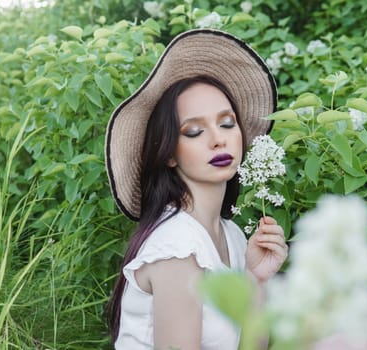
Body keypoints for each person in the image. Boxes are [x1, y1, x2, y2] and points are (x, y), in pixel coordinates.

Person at [104, 28, 286, 350]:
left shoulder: (231, 235)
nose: (218, 139)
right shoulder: (178, 249)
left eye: (227, 123)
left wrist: (256, 279)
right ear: (170, 154)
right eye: (194, 131)